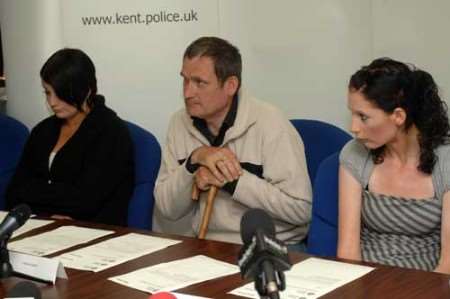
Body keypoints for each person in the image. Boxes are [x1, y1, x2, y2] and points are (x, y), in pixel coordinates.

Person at [155, 36, 312, 245]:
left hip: (270, 247)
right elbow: (166, 208)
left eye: (199, 82)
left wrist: (232, 180)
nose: (187, 92)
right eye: (185, 79)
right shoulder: (179, 122)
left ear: (230, 85)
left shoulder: (270, 123)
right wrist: (193, 161)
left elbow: (300, 209)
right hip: (208, 245)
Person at [338, 57, 450, 273]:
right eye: (352, 114)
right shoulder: (355, 154)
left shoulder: (445, 161)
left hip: (427, 285)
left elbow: (448, 264)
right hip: (365, 283)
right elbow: (348, 252)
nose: (354, 127)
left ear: (398, 116)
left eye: (363, 117)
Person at [6, 48, 134, 226]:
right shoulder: (42, 131)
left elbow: (86, 202)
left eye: (60, 93)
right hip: (40, 228)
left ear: (87, 90)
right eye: (47, 92)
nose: (52, 102)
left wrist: (38, 192)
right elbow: (14, 193)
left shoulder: (111, 133)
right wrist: (47, 215)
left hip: (95, 236)